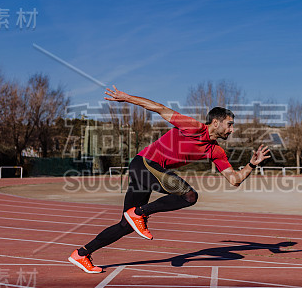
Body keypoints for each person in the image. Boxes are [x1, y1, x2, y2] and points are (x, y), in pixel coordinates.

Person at [68, 86, 270, 274]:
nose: (232, 130)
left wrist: (252, 164)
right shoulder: (194, 127)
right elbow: (159, 108)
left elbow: (234, 180)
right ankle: (139, 213)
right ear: (215, 122)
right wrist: (127, 98)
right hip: (145, 163)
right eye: (230, 124)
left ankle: (82, 253)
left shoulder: (215, 151)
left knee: (125, 225)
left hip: (148, 172)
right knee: (189, 196)